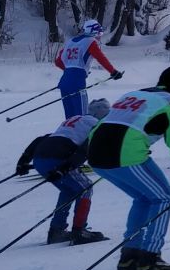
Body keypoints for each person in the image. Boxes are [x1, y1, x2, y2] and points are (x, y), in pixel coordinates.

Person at [88, 67, 170, 270]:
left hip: (96, 152)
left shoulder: (135, 94)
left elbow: (105, 123)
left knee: (144, 197)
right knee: (164, 197)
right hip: (125, 152)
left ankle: (130, 255)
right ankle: (150, 258)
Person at [16, 98, 110, 245]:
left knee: (69, 190)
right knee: (85, 188)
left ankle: (56, 231)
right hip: (58, 158)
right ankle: (79, 231)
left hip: (40, 157)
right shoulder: (98, 125)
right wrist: (66, 167)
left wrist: (23, 161)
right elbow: (85, 149)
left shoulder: (74, 120)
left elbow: (42, 138)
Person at [53, 19, 121, 118]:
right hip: (77, 83)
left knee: (70, 119)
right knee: (82, 117)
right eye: (98, 33)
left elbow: (58, 62)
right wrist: (113, 72)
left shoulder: (70, 41)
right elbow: (101, 58)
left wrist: (71, 72)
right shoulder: (90, 42)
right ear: (94, 31)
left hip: (64, 82)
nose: (99, 36)